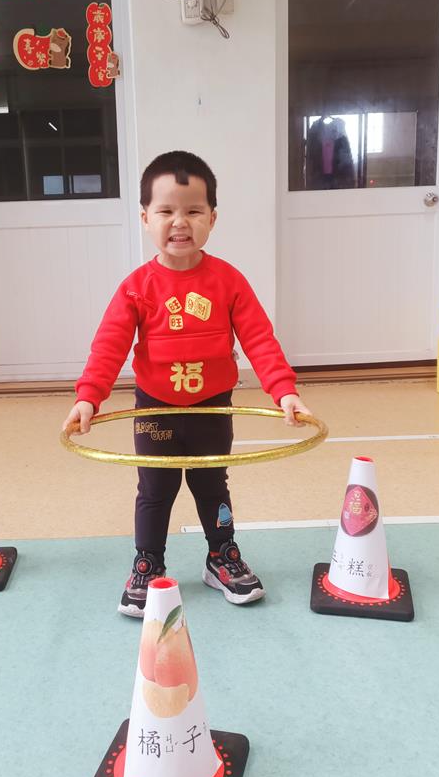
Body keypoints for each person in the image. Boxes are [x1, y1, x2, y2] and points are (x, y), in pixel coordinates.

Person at [62, 151, 312, 617]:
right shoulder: (137, 287)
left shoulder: (228, 281)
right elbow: (109, 345)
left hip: (212, 408)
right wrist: (88, 398)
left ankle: (221, 556)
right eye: (166, 211)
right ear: (145, 218)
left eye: (194, 210)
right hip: (155, 409)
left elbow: (259, 338)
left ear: (212, 218)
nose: (180, 222)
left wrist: (284, 391)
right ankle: (148, 563)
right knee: (155, 489)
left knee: (212, 484)